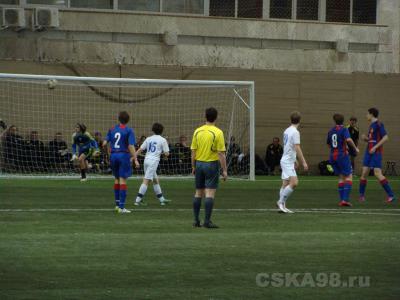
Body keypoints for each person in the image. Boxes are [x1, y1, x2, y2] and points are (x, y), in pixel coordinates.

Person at [191, 107, 227, 228]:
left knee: (198, 192)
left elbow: (193, 151)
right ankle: (207, 221)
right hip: (211, 164)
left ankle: (196, 221)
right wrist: (225, 170)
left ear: (205, 116)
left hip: (199, 164)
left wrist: (193, 166)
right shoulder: (218, 132)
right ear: (216, 117)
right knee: (210, 193)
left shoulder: (197, 131)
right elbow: (221, 153)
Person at [103, 111, 139, 213]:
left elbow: (104, 143)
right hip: (123, 155)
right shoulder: (129, 130)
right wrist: (135, 158)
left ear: (119, 119)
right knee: (123, 180)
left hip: (113, 155)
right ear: (128, 120)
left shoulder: (112, 129)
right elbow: (131, 146)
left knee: (116, 179)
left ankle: (117, 205)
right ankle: (122, 208)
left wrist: (108, 153)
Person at [359, 108, 396, 203]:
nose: (366, 115)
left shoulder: (379, 124)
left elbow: (385, 137)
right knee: (364, 173)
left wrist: (375, 147)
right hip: (369, 151)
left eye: (367, 114)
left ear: (371, 114)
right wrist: (366, 139)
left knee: (377, 173)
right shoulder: (371, 125)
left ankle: (391, 195)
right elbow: (372, 139)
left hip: (376, 152)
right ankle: (361, 196)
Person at [277, 111, 308, 214]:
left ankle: (282, 206)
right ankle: (281, 202)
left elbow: (288, 146)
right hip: (287, 162)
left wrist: (294, 160)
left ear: (291, 120)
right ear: (300, 121)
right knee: (294, 183)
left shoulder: (287, 130)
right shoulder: (295, 132)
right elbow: (297, 147)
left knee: (285, 183)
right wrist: (303, 162)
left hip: (287, 160)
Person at [134, 123, 171, 206]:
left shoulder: (148, 138)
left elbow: (140, 149)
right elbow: (167, 153)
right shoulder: (163, 140)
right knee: (146, 180)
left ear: (153, 130)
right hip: (153, 162)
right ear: (162, 131)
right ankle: (137, 200)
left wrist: (134, 157)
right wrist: (163, 151)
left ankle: (162, 199)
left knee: (155, 180)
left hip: (146, 160)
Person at [327, 114, 359, 207]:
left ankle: (342, 200)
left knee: (341, 177)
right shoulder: (344, 129)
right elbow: (349, 140)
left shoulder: (330, 131)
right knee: (349, 176)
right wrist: (355, 149)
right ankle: (345, 200)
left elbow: (329, 144)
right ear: (343, 121)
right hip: (342, 155)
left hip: (333, 156)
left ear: (334, 121)